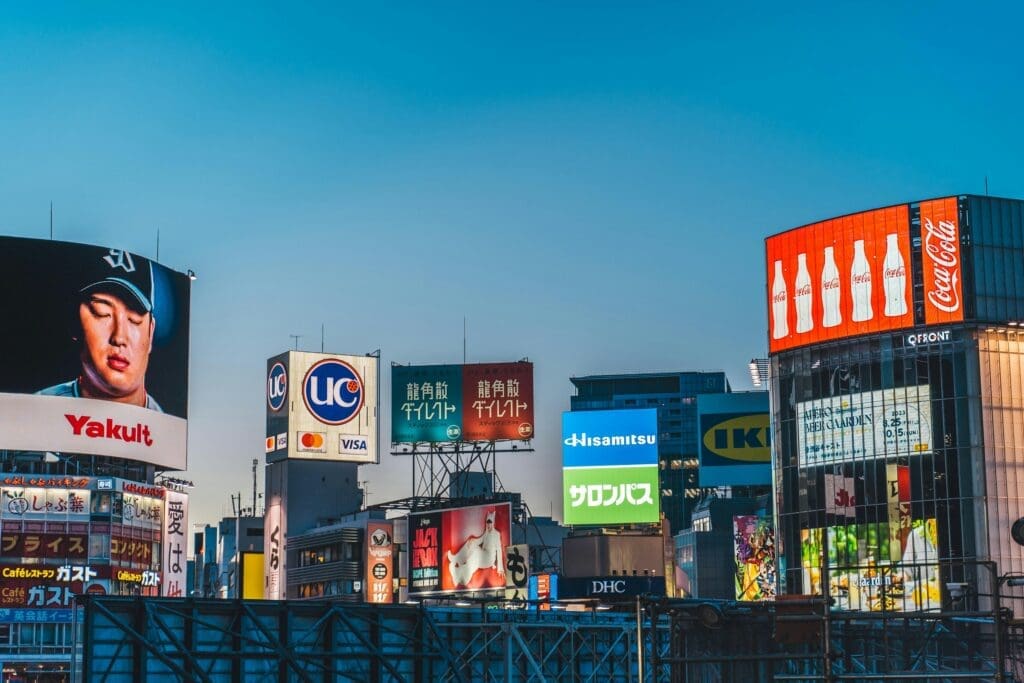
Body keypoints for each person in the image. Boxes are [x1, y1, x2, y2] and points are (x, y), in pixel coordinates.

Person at [38, 248, 162, 411]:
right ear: (75, 322)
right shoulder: (38, 410)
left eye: (134, 319)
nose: (119, 337)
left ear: (150, 332)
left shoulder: (171, 429)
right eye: (102, 312)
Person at [446, 508, 505, 588]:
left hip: (489, 559)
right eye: (487, 523)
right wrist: (472, 541)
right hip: (484, 555)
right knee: (472, 544)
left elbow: (499, 550)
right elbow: (480, 540)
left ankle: (460, 576)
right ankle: (457, 559)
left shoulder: (496, 534)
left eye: (490, 523)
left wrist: (500, 568)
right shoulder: (486, 533)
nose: (488, 525)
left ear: (493, 523)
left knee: (476, 553)